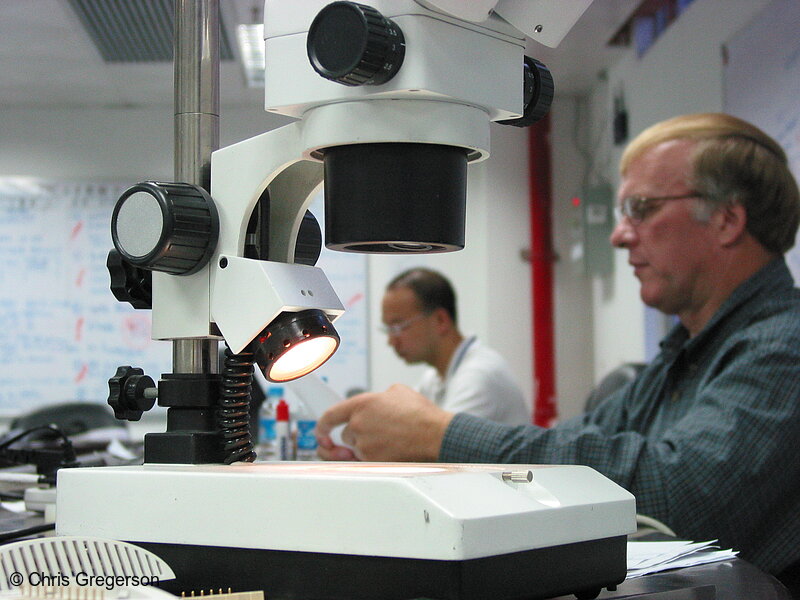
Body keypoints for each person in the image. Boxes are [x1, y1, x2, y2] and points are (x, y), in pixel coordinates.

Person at [315, 113, 800, 581]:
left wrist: (438, 436)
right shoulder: (686, 354)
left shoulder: (785, 344)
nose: (618, 235)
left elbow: (680, 495)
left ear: (726, 220)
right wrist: (417, 441)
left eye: (642, 209)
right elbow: (579, 456)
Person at [378, 267, 530, 425]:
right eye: (387, 329)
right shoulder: (434, 378)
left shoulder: (478, 376)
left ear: (440, 320)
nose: (391, 341)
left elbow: (433, 444)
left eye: (398, 327)